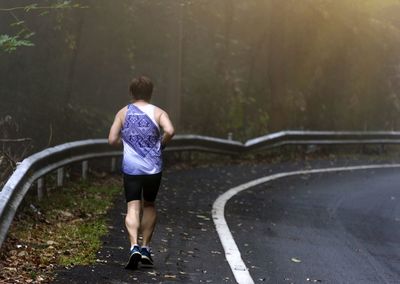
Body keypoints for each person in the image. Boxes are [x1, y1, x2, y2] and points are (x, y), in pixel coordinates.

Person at [108, 76, 175, 270]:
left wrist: (126, 142)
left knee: (132, 206)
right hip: (153, 166)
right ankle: (145, 247)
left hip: (131, 167)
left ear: (131, 93)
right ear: (151, 93)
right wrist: (161, 144)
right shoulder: (159, 112)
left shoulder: (123, 113)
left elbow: (112, 139)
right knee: (150, 204)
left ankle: (133, 246)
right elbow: (170, 130)